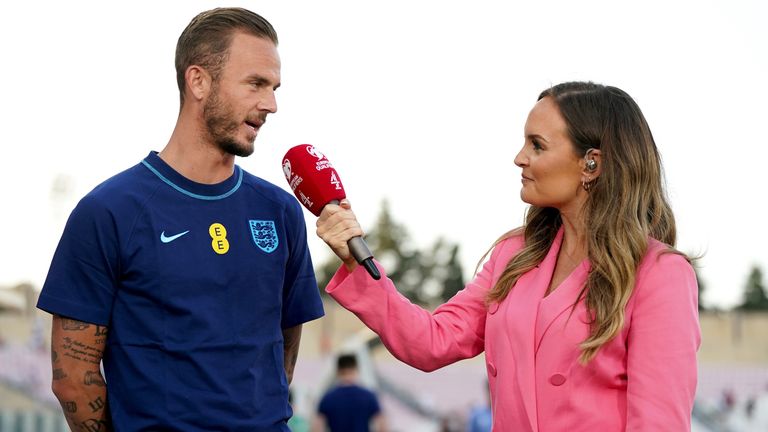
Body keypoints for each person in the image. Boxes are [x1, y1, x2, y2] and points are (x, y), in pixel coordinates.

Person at [316, 81, 701, 430]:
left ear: (592, 163)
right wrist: (354, 260)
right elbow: (431, 341)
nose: (519, 158)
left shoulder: (659, 273)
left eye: (537, 145)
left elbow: (658, 424)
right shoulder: (513, 256)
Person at [37, 7, 324, 431]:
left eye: (275, 87)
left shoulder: (280, 211)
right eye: (256, 84)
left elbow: (284, 351)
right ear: (198, 81)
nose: (272, 104)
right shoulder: (110, 211)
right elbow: (73, 381)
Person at [313, 353, 386, 432]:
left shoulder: (328, 398)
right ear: (356, 369)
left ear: (338, 371)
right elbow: (382, 426)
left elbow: (317, 428)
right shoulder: (368, 396)